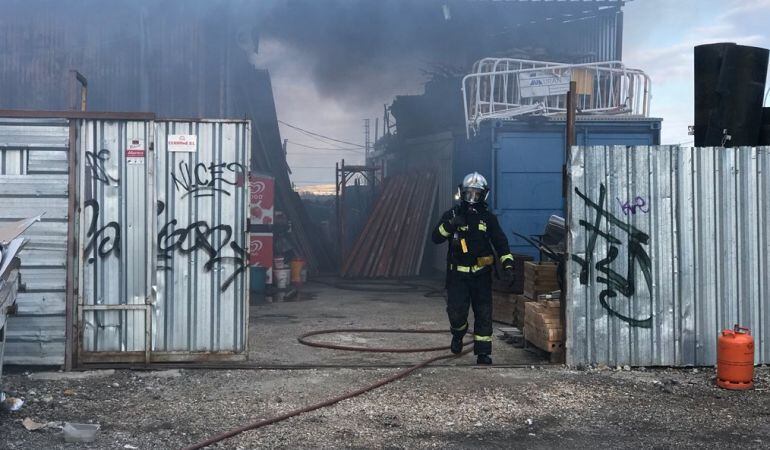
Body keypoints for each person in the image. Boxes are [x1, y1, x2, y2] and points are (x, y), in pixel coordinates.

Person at [431, 172, 514, 365]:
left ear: (483, 195)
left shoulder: (488, 218)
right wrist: (450, 225)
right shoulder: (452, 215)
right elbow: (435, 238)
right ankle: (458, 333)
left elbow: (501, 243)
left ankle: (483, 353)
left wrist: (508, 264)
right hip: (457, 276)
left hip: (481, 276)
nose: (472, 198)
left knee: (484, 313)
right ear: (462, 193)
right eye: (469, 194)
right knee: (456, 313)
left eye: (477, 194)